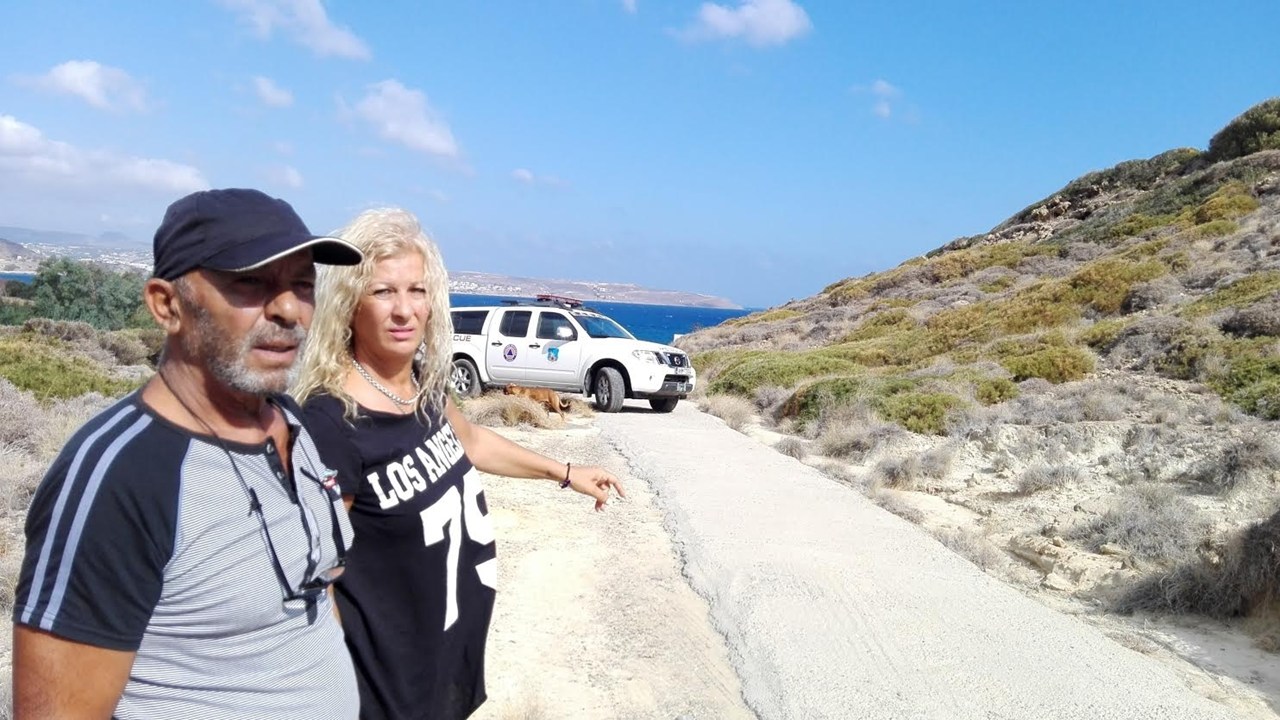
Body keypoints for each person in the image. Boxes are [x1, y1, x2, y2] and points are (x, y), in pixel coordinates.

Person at [12, 188, 365, 719]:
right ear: (167, 305)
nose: (289, 309)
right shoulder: (122, 476)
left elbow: (314, 589)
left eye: (301, 284)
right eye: (250, 282)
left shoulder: (288, 420)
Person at [292, 207, 625, 720]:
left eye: (417, 290)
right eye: (383, 292)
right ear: (349, 305)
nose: (404, 310)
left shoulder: (421, 386)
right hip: (388, 691)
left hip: (444, 662)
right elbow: (318, 580)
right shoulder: (333, 422)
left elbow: (471, 441)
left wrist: (564, 473)